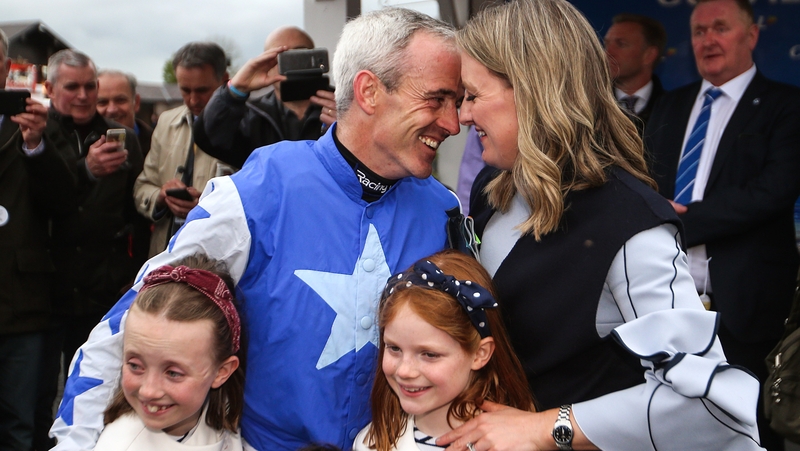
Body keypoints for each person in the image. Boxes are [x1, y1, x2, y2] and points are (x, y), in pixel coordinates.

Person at [51, 7, 462, 451]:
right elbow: (126, 328)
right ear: (369, 91)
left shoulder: (444, 212)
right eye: (436, 99)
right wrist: (74, 443)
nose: (454, 123)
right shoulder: (256, 192)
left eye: (457, 102)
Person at [438, 1, 763, 450]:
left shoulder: (629, 223)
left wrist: (544, 428)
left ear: (534, 89)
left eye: (472, 96)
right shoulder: (494, 188)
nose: (463, 118)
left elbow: (710, 404)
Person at [645, 0, 800, 448]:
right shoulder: (669, 106)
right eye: (698, 31)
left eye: (720, 28)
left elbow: (775, 189)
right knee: (675, 423)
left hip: (749, 306)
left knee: (751, 428)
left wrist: (681, 220)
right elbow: (642, 177)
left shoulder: (785, 106)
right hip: (667, 299)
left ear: (751, 36)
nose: (707, 40)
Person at [38, 48, 146, 450]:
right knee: (38, 399)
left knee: (100, 392)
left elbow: (134, 216)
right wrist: (85, 171)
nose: (83, 95)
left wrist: (130, 278)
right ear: (50, 89)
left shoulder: (123, 140)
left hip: (105, 286)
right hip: (45, 287)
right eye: (72, 87)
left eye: (90, 86)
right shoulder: (35, 133)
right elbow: (38, 201)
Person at [353, 250, 534, 451]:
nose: (404, 371)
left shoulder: (520, 444)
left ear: (480, 353)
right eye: (394, 348)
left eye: (429, 354)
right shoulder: (369, 444)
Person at [0, 28, 76, 451]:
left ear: (7, 67)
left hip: (20, 303)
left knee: (21, 424)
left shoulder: (36, 122)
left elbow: (65, 201)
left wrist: (35, 146)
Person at [93, 255, 244, 450]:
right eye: (135, 366)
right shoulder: (119, 444)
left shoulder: (221, 420)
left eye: (173, 373)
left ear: (222, 371)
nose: (149, 391)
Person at [133, 42, 233, 257]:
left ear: (224, 79)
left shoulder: (247, 125)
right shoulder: (165, 122)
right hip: (166, 256)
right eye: (185, 90)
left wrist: (208, 206)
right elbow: (142, 187)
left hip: (217, 256)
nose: (193, 100)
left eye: (202, 90)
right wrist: (161, 197)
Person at [193, 26, 337, 169]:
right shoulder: (252, 116)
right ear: (266, 62)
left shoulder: (345, 106)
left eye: (299, 53)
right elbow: (208, 140)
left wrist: (349, 128)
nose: (291, 64)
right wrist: (235, 89)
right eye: (280, 56)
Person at [604, 13, 667, 133]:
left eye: (621, 44)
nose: (608, 52)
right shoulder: (591, 107)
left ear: (649, 55)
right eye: (606, 44)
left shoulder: (674, 110)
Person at [97, 70, 153, 157]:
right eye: (102, 102)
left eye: (120, 100)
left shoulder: (159, 145)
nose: (111, 110)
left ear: (136, 103)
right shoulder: (79, 145)